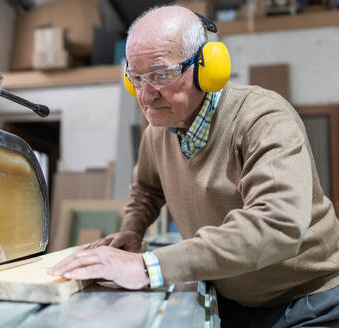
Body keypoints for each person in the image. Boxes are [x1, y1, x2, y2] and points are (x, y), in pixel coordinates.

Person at [49, 5, 339, 327]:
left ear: (207, 67)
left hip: (309, 300)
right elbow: (146, 190)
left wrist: (148, 267)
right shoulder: (156, 132)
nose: (145, 96)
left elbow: (278, 224)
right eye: (136, 77)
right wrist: (132, 231)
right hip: (232, 297)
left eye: (160, 75)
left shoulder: (263, 118)